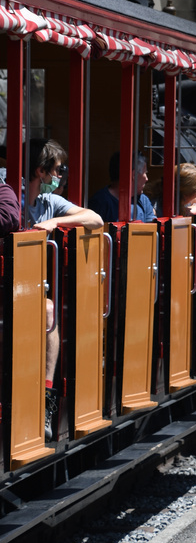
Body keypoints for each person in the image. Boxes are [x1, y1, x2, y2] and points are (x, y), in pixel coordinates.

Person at [25, 138, 104, 439]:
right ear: (40, 172)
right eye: (58, 170)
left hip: (30, 287)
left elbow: (94, 219)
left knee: (48, 311)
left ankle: (45, 398)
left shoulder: (49, 203)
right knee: (47, 309)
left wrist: (55, 223)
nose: (61, 176)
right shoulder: (11, 198)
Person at [89, 152, 155, 222]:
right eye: (145, 173)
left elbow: (153, 230)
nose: (147, 179)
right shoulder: (100, 203)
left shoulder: (143, 200)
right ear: (134, 175)